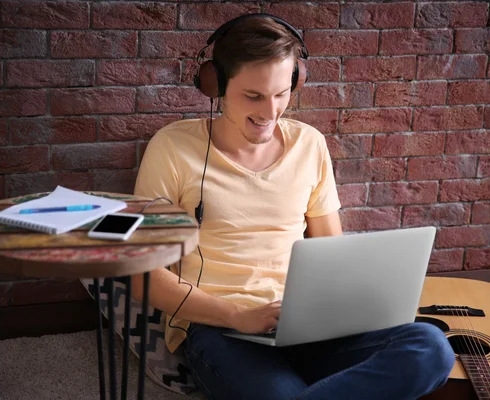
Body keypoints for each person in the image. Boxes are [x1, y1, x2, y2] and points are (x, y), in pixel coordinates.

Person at [133, 13, 455, 400]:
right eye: (253, 96)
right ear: (215, 85)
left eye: (282, 93)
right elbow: (144, 275)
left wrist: (350, 308)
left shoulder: (310, 144)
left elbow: (331, 253)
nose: (270, 112)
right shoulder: (172, 147)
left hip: (309, 324)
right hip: (220, 329)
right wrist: (237, 315)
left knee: (430, 347)